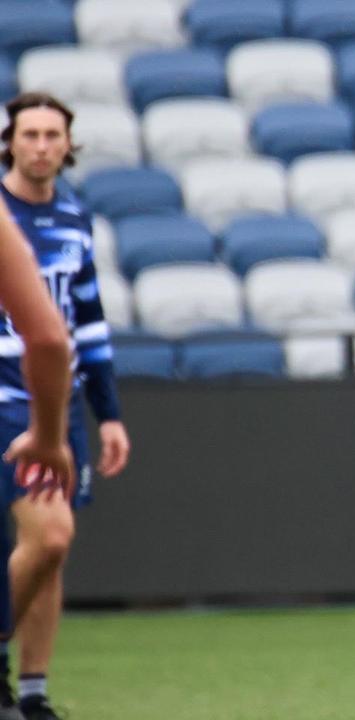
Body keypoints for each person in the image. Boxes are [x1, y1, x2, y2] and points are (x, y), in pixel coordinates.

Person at [0, 92, 132, 720]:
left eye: (54, 134)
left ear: (68, 145)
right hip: (5, 400)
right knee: (50, 536)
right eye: (31, 134)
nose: (43, 145)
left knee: (53, 552)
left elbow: (88, 326)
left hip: (60, 403)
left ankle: (32, 692)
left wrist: (107, 413)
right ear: (11, 142)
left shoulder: (75, 220)